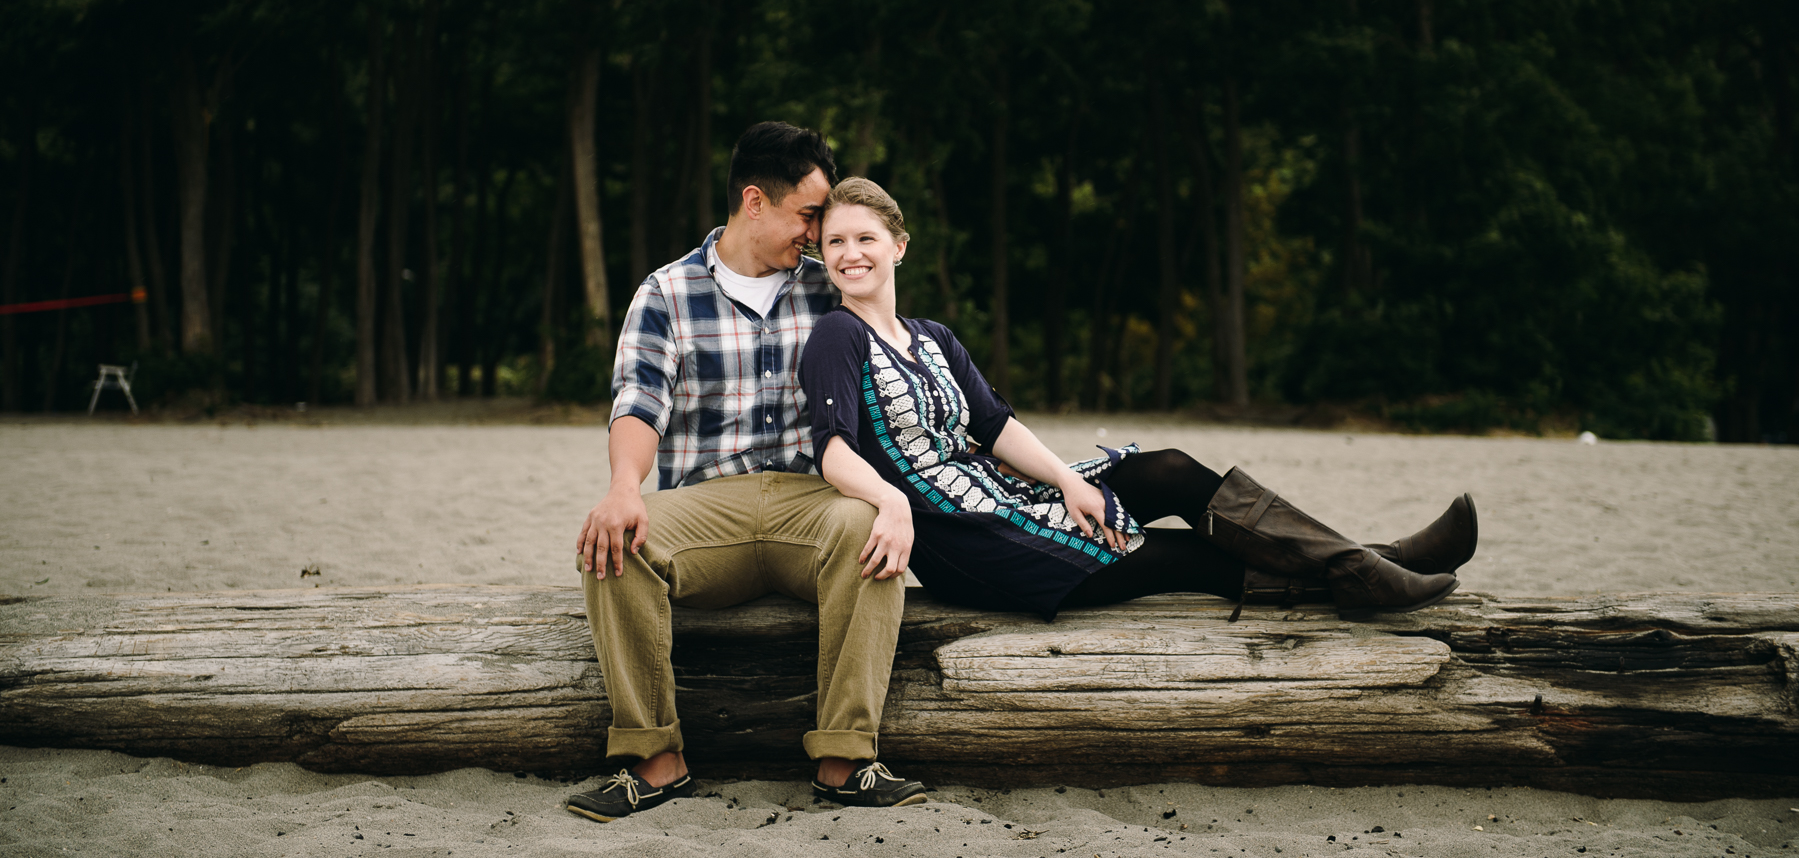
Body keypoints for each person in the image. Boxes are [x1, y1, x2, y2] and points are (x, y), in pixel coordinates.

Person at [798, 177, 1478, 623]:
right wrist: (888, 500)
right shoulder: (837, 335)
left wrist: (1067, 479)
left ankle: (1371, 562)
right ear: (823, 256)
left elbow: (997, 424)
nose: (851, 253)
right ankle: (1371, 568)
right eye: (835, 242)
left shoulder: (932, 336)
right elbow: (833, 451)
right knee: (1182, 557)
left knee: (1172, 468)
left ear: (900, 247)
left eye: (866, 238)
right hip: (971, 545)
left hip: (1009, 497)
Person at [567, 125, 927, 824]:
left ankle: (845, 759)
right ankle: (652, 759)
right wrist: (621, 488)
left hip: (813, 501)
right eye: (810, 216)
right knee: (614, 540)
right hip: (708, 505)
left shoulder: (829, 287)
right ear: (755, 202)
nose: (821, 234)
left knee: (868, 526)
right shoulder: (667, 292)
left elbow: (893, 349)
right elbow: (639, 402)